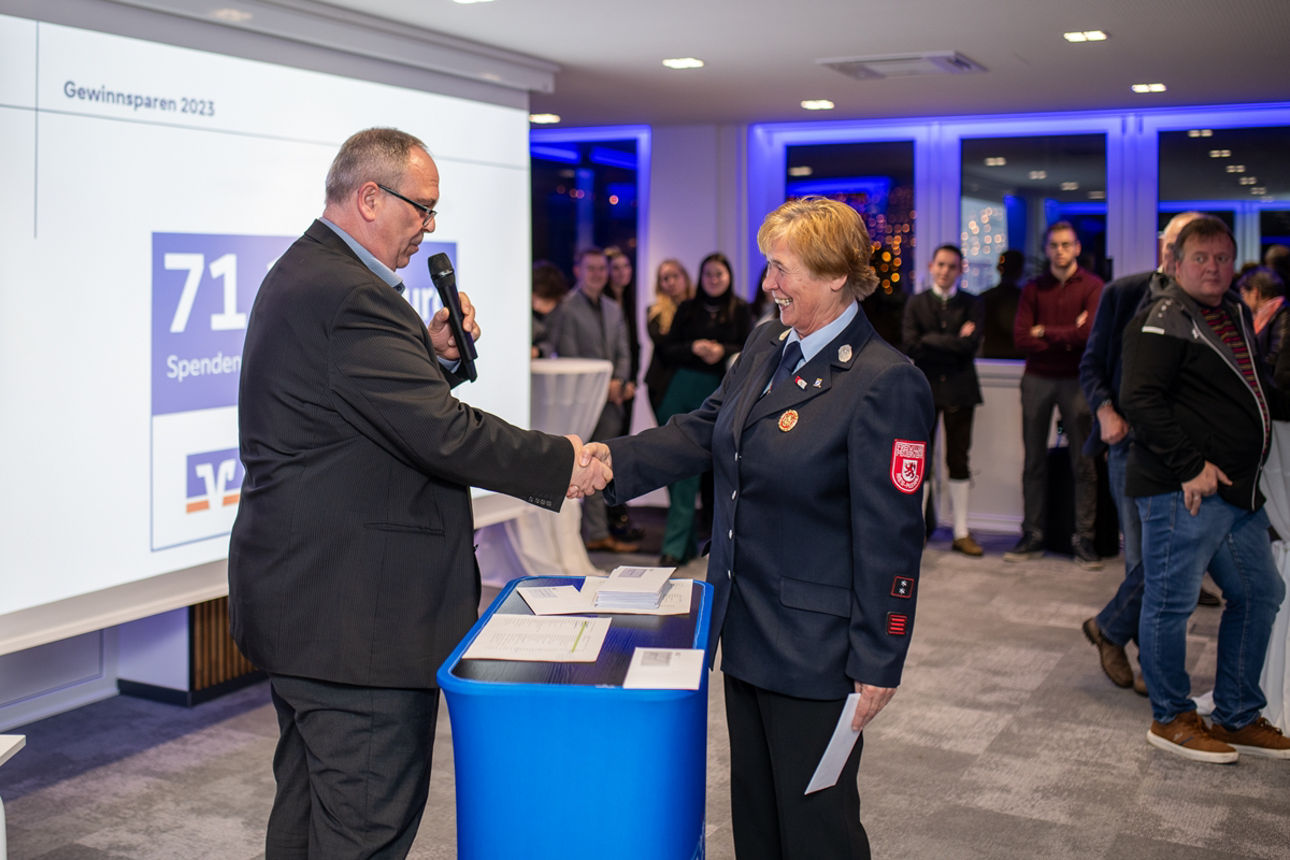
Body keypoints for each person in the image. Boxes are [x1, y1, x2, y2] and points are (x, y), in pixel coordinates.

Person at [227, 128, 610, 858]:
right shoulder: (349, 294)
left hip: (313, 607)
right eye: (422, 209)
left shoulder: (314, 273)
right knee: (363, 828)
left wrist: (431, 357)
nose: (429, 227)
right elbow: (443, 435)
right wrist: (561, 461)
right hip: (356, 623)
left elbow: (370, 418)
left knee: (310, 819)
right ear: (370, 197)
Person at [585, 196, 934, 858]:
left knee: (816, 831)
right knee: (757, 820)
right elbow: (705, 430)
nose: (768, 284)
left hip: (816, 649)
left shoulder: (886, 383)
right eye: (768, 266)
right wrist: (610, 462)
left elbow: (893, 538)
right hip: (743, 628)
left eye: (781, 269)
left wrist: (880, 657)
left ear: (836, 277)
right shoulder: (768, 341)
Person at [1121, 215, 1290, 763]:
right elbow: (1141, 402)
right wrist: (1191, 465)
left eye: (1222, 257)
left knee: (1261, 592)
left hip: (1238, 493)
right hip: (1182, 489)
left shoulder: (1235, 310)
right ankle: (1170, 717)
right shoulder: (1161, 318)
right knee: (1170, 604)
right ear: (1176, 263)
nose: (1214, 267)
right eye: (1201, 258)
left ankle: (1238, 713)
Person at [1077, 211, 1204, 694]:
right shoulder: (1123, 294)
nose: (1184, 258)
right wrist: (1105, 411)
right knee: (1145, 561)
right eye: (1180, 247)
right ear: (1165, 251)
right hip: (1130, 448)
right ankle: (1151, 664)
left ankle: (1113, 630)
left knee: (1175, 563)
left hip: (1188, 454)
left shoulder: (1212, 306)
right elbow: (1092, 365)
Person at [1005, 221, 1104, 568]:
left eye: (1066, 245)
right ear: (1046, 250)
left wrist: (1045, 331)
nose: (1060, 251)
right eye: (1054, 245)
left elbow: (1090, 336)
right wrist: (1068, 333)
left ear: (1077, 248)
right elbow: (1020, 337)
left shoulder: (1093, 287)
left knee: (1084, 462)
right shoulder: (1033, 288)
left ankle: (1084, 538)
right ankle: (1032, 534)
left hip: (1078, 379)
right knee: (1033, 461)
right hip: (1037, 379)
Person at [654, 252, 752, 565]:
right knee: (676, 466)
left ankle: (711, 544)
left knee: (718, 472)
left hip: (720, 390)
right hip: (681, 390)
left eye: (719, 274)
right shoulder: (688, 307)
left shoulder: (740, 309)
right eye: (707, 273)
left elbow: (751, 349)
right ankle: (676, 546)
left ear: (729, 276)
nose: (712, 279)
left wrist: (722, 351)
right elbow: (667, 349)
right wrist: (694, 347)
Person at [547, 246, 639, 553]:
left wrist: (621, 381)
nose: (598, 274)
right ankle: (587, 534)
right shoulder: (566, 307)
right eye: (592, 268)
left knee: (604, 465)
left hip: (611, 401)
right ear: (578, 270)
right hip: (579, 400)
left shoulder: (613, 308)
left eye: (602, 269)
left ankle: (599, 532)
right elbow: (562, 351)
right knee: (580, 464)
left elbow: (624, 352)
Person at [901, 244, 985, 556]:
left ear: (960, 269)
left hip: (961, 391)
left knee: (959, 459)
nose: (945, 271)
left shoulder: (973, 303)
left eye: (951, 266)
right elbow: (911, 345)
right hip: (925, 390)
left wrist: (931, 341)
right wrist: (953, 342)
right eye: (940, 265)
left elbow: (971, 346)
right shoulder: (917, 302)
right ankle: (918, 529)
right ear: (931, 266)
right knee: (921, 461)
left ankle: (961, 532)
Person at [604, 246, 645, 542]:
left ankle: (618, 513)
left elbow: (633, 347)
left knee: (620, 447)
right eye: (615, 268)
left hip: (626, 387)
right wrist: (617, 381)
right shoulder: (603, 303)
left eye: (625, 267)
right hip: (608, 388)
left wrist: (631, 381)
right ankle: (613, 517)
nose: (622, 273)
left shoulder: (629, 300)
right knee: (610, 450)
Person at [643, 258, 694, 418]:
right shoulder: (654, 312)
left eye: (675, 276)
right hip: (662, 383)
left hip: (692, 381)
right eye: (665, 278)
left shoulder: (698, 308)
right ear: (659, 284)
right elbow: (664, 346)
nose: (671, 282)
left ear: (684, 277)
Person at [1238, 266, 1289, 381]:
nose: (1242, 300)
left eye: (1243, 294)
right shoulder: (1264, 316)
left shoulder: (1284, 315)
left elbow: (1278, 360)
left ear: (1255, 293)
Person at [980, 249, 1026, 359]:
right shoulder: (1025, 299)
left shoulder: (984, 297)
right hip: (1018, 359)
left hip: (990, 358)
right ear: (1020, 271)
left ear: (998, 269)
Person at [531, 259, 568, 357]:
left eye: (547, 302)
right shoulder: (518, 310)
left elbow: (552, 342)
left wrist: (538, 351)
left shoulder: (558, 311)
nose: (537, 305)